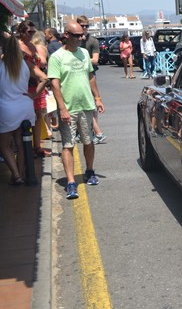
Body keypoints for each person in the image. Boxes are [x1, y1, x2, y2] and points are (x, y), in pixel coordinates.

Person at [47, 21, 105, 199]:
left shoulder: (84, 53)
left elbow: (90, 76)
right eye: (77, 35)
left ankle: (89, 171)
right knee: (68, 145)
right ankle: (71, 182)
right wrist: (62, 108)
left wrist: (97, 98)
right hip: (69, 109)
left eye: (83, 35)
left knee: (89, 141)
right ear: (66, 35)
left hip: (86, 105)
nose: (81, 38)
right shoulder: (57, 57)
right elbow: (55, 84)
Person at [0, 34, 48, 185]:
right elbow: (44, 78)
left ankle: (16, 175)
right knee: (22, 143)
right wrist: (34, 95)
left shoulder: (1, 65)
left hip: (7, 107)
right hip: (25, 105)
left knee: (4, 145)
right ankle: (20, 173)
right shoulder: (26, 64)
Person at [17, 20, 50, 158]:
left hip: (36, 85)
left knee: (38, 116)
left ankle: (37, 146)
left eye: (33, 32)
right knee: (24, 119)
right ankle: (26, 148)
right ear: (22, 32)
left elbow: (41, 63)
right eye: (29, 32)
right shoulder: (16, 46)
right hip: (22, 86)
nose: (32, 34)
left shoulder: (32, 46)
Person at [76, 15, 106, 144]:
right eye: (82, 26)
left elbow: (95, 60)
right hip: (75, 75)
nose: (84, 28)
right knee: (79, 103)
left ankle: (95, 132)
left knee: (91, 104)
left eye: (86, 26)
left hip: (90, 74)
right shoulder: (72, 40)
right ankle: (83, 131)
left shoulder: (93, 41)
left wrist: (78, 60)